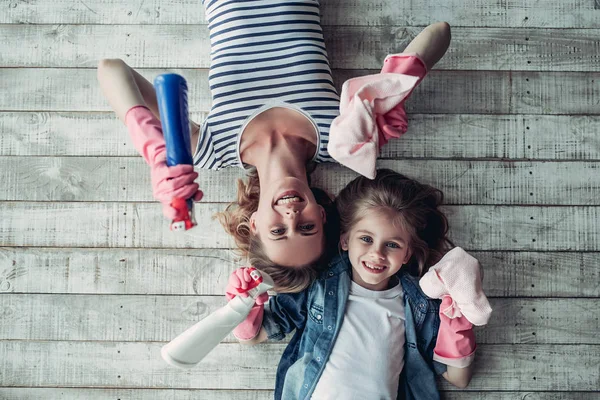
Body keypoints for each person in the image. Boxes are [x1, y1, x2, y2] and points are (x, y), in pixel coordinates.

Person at [97, 0, 451, 292]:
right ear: (322, 215)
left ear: (254, 223)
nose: (292, 217)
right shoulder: (340, 140)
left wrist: (155, 152)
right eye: (307, 227)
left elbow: (112, 69)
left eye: (278, 231)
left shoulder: (212, 150)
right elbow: (440, 33)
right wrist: (394, 87)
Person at [226, 169, 492, 399]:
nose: (377, 254)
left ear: (407, 254)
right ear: (345, 241)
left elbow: (459, 378)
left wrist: (457, 321)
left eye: (392, 245)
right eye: (365, 239)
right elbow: (255, 336)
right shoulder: (319, 285)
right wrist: (244, 305)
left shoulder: (421, 304)